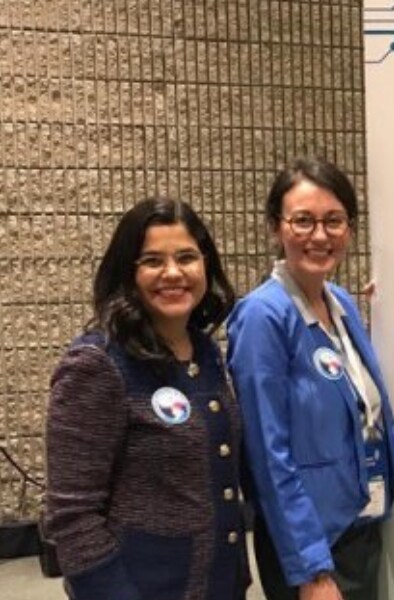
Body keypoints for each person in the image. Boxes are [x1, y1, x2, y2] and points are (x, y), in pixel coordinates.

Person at [43, 198, 245, 599]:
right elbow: (72, 518)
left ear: (206, 265)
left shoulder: (205, 353)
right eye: (152, 261)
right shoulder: (98, 364)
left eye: (186, 257)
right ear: (127, 273)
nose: (173, 273)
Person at [227, 158, 394, 600]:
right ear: (275, 227)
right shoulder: (262, 317)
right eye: (303, 221)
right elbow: (268, 455)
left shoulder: (340, 303)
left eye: (334, 221)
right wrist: (311, 570)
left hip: (358, 527)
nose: (320, 236)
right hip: (312, 544)